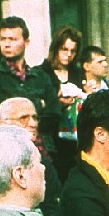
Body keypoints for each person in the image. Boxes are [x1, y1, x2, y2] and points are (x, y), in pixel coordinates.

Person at [0, 16, 60, 154]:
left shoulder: (40, 76)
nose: (6, 44)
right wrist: (39, 104)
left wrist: (21, 113)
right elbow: (2, 116)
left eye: (12, 39)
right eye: (3, 39)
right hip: (9, 151)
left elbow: (54, 113)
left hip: (44, 151)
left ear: (26, 42)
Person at [38, 26, 84, 181]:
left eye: (73, 51)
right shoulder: (41, 73)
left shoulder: (77, 73)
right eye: (65, 49)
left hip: (75, 141)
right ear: (56, 48)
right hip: (51, 141)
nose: (68, 54)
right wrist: (57, 103)